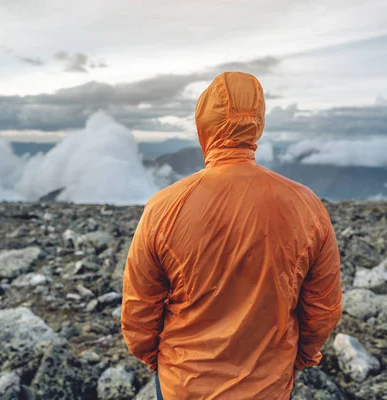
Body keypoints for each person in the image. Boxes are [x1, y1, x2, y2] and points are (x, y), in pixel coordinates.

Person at [121, 72, 342, 399]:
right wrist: (300, 359)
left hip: (183, 385)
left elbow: (138, 312)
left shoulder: (162, 208)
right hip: (267, 386)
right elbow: (323, 309)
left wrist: (161, 362)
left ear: (203, 125)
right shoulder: (307, 206)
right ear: (258, 122)